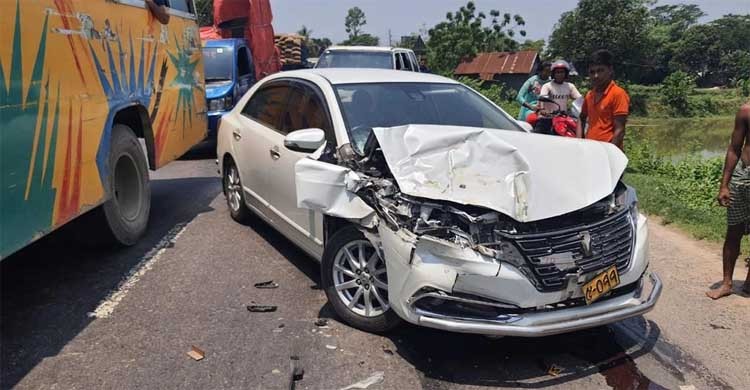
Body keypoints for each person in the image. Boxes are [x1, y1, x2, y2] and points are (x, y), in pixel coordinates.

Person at [706, 102, 750, 300]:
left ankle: (749, 282)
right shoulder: (746, 111)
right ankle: (727, 283)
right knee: (734, 231)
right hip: (743, 178)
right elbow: (734, 148)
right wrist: (724, 184)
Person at [576, 50, 629, 149]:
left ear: (610, 70)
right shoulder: (589, 95)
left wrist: (610, 154)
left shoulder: (618, 94)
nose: (596, 76)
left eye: (600, 70)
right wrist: (579, 141)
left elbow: (620, 129)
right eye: (592, 72)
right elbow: (581, 118)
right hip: (590, 148)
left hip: (607, 151)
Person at [535, 60, 581, 134]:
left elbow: (579, 99)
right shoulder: (547, 86)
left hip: (563, 117)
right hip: (547, 117)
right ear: (553, 74)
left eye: (562, 72)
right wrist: (543, 110)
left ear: (566, 73)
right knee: (540, 136)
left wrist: (585, 107)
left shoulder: (570, 86)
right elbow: (542, 98)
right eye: (557, 72)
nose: (560, 74)